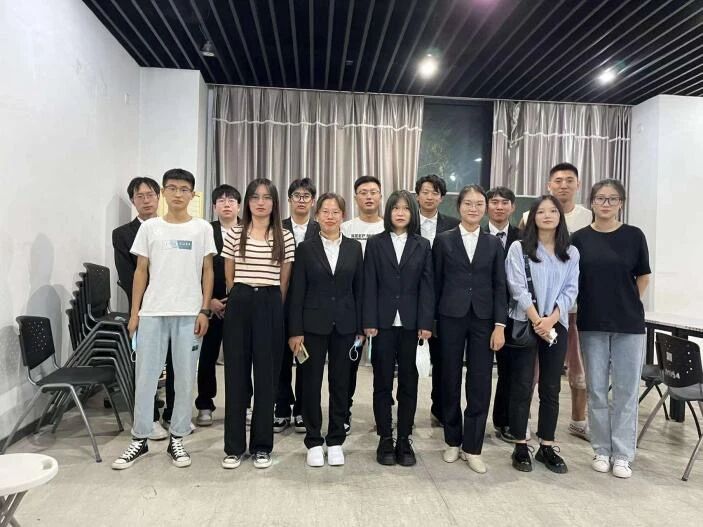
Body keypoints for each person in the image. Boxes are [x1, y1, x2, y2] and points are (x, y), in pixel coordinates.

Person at [112, 169, 216, 470]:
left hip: (188, 314)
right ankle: (140, 438)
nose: (178, 194)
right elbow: (140, 271)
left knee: (184, 379)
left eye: (184, 189)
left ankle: (177, 438)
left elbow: (208, 271)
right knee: (146, 378)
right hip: (153, 312)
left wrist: (204, 310)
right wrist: (135, 313)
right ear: (164, 192)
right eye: (172, 188)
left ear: (192, 194)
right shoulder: (150, 228)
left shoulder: (202, 228)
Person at [571, 179, 651, 479]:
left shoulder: (634, 235)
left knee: (626, 391)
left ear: (621, 203)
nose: (606, 204)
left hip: (629, 324)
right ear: (591, 202)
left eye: (612, 199)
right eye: (600, 198)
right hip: (591, 323)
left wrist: (626, 302)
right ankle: (601, 450)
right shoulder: (579, 238)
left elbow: (643, 276)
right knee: (596, 390)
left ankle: (623, 454)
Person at [221, 178, 295, 470]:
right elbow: (229, 274)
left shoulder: (285, 236)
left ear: (274, 203)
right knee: (236, 377)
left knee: (267, 377)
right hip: (240, 301)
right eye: (255, 197)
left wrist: (269, 302)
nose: (260, 202)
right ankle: (234, 447)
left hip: (270, 303)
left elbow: (284, 281)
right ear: (248, 202)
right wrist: (240, 296)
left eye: (266, 197)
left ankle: (262, 446)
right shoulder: (235, 233)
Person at [433, 184, 506, 474]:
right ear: (458, 207)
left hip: (483, 320)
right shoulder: (443, 240)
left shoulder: (493, 244)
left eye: (479, 204)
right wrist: (432, 323)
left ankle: (473, 446)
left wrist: (499, 325)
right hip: (450, 317)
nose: (473, 208)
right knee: (449, 378)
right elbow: (435, 283)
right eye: (468, 203)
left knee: (480, 382)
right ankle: (452, 440)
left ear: (484, 208)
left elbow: (500, 286)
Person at [288, 193, 364, 467]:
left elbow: (359, 290)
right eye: (325, 211)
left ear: (343, 216)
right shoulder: (305, 248)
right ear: (317, 215)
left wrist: (360, 328)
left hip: (346, 326)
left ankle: (335, 440)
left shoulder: (354, 248)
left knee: (341, 384)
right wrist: (295, 331)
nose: (330, 217)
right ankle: (313, 440)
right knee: (310, 383)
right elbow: (297, 292)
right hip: (312, 326)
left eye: (335, 212)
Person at [506, 195, 579, 474]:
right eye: (541, 211)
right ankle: (520, 444)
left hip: (556, 326)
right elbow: (516, 286)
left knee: (551, 387)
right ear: (532, 217)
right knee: (522, 385)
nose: (547, 215)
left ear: (560, 217)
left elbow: (571, 289)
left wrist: (551, 320)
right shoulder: (519, 248)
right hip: (526, 322)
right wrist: (537, 319)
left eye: (553, 211)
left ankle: (547, 445)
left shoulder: (571, 252)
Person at [521, 163, 592, 440]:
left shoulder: (588, 216)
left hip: (574, 309)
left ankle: (578, 420)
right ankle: (525, 419)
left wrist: (557, 312)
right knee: (533, 368)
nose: (564, 185)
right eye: (558, 180)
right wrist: (541, 316)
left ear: (578, 184)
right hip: (537, 311)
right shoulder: (528, 216)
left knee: (578, 368)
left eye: (569, 180)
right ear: (549, 185)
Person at [364, 190, 434, 466]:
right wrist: (369, 320)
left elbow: (427, 286)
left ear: (412, 213)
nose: (401, 212)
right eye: (396, 208)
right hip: (381, 325)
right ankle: (385, 438)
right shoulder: (375, 243)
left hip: (411, 326)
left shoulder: (423, 245)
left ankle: (404, 438)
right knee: (382, 383)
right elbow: (369, 283)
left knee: (409, 383)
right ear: (389, 212)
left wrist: (425, 323)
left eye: (406, 208)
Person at [111, 176, 171, 441]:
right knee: (146, 365)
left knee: (172, 363)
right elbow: (128, 276)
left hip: (173, 305)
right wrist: (143, 305)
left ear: (159, 197)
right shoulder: (123, 234)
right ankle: (149, 419)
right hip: (146, 307)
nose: (146, 200)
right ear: (133, 201)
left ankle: (172, 414)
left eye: (150, 195)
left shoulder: (171, 227)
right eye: (140, 196)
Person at [194, 184, 245, 427]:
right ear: (214, 206)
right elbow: (197, 270)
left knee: (242, 359)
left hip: (242, 305)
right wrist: (208, 301)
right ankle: (205, 404)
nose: (226, 204)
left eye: (231, 200)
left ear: (239, 206)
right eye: (221, 201)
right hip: (212, 305)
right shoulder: (205, 231)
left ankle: (244, 404)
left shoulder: (250, 230)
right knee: (207, 357)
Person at [274, 178, 320, 434]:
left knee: (306, 360)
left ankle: (302, 409)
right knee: (279, 358)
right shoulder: (276, 228)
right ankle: (281, 408)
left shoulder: (321, 228)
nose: (301, 200)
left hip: (310, 304)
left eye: (306, 196)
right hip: (280, 300)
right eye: (297, 196)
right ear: (289, 200)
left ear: (313, 201)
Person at [414, 174, 460, 427]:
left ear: (442, 198)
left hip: (444, 302)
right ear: (417, 195)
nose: (430, 197)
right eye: (425, 192)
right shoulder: (407, 222)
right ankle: (404, 411)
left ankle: (440, 408)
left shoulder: (454, 225)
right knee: (409, 360)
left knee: (444, 359)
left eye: (435, 192)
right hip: (413, 300)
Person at [341, 175, 385, 433]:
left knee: (383, 365)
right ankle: (344, 411)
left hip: (383, 307)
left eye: (373, 192)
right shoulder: (345, 227)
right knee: (349, 364)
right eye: (363, 192)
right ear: (356, 197)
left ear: (380, 196)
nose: (369, 196)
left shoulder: (388, 227)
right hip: (353, 306)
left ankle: (383, 414)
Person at [485, 186, 523, 442]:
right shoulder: (476, 233)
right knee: (477, 371)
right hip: (479, 311)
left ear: (512, 207)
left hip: (514, 312)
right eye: (494, 202)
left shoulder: (524, 237)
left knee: (510, 370)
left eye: (504, 202)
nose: (499, 207)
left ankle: (504, 420)